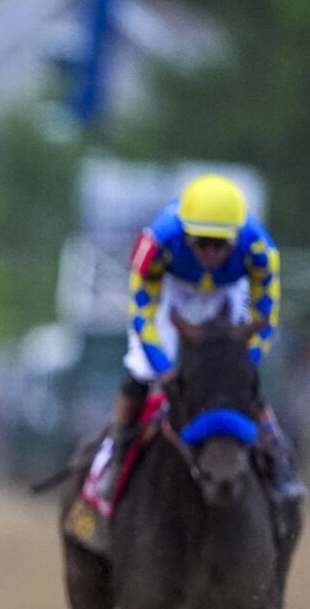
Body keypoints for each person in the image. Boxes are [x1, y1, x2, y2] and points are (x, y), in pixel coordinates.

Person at [82, 172, 299, 546]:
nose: (211, 253)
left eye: (221, 244)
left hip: (230, 291)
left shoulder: (261, 251)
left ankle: (275, 454)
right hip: (169, 289)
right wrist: (164, 372)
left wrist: (240, 363)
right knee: (139, 369)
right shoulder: (156, 243)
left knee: (239, 375)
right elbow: (142, 316)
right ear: (185, 234)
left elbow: (265, 320)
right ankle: (114, 456)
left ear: (237, 239)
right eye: (202, 242)